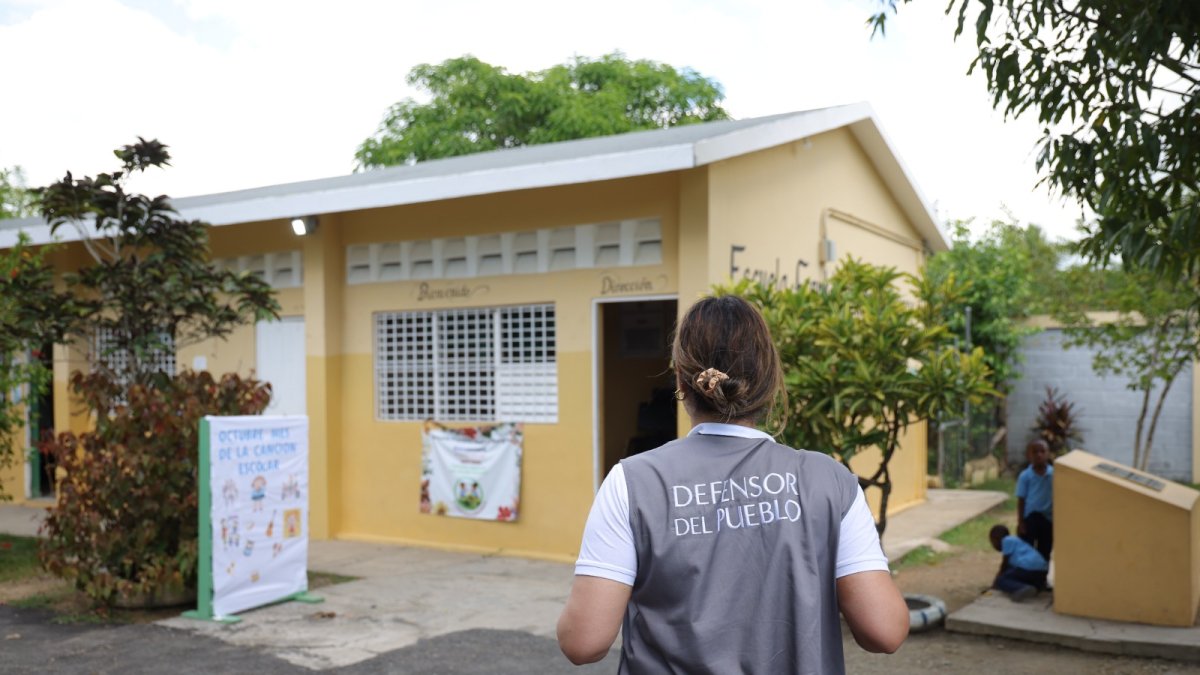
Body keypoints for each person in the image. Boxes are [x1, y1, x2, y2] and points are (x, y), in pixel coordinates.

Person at [556, 295, 909, 673]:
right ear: (772, 380)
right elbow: (884, 631)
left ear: (680, 379)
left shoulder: (634, 482)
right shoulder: (830, 482)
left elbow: (584, 642)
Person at [989, 524, 1049, 601]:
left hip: (1028, 568)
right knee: (1013, 575)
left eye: (993, 542)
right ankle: (1036, 587)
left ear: (996, 538)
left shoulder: (1006, 540)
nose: (993, 545)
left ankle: (1020, 588)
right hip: (1041, 571)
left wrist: (996, 582)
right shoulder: (1017, 541)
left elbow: (1004, 565)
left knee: (1002, 580)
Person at [1016, 439, 1054, 561]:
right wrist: (1021, 522)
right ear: (1029, 455)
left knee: (1045, 551)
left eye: (1042, 451)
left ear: (1048, 454)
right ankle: (1027, 578)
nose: (1039, 455)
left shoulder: (1054, 474)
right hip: (1030, 519)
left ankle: (1042, 578)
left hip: (1048, 519)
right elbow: (1021, 499)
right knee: (1027, 550)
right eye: (1035, 452)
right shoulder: (1025, 476)